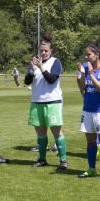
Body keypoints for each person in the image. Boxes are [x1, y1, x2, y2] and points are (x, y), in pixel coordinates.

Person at [24, 36, 67, 170]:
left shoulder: (56, 62)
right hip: (37, 101)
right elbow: (27, 82)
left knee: (56, 132)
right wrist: (31, 70)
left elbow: (51, 79)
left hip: (52, 102)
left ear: (51, 50)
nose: (43, 53)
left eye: (45, 51)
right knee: (41, 134)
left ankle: (63, 161)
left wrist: (41, 67)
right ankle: (42, 159)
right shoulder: (35, 63)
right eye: (41, 50)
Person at [76, 43, 100, 180]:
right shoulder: (86, 67)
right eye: (85, 55)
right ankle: (91, 168)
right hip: (88, 109)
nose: (86, 57)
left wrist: (91, 74)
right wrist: (80, 76)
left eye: (89, 55)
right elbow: (82, 88)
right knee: (90, 141)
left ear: (97, 55)